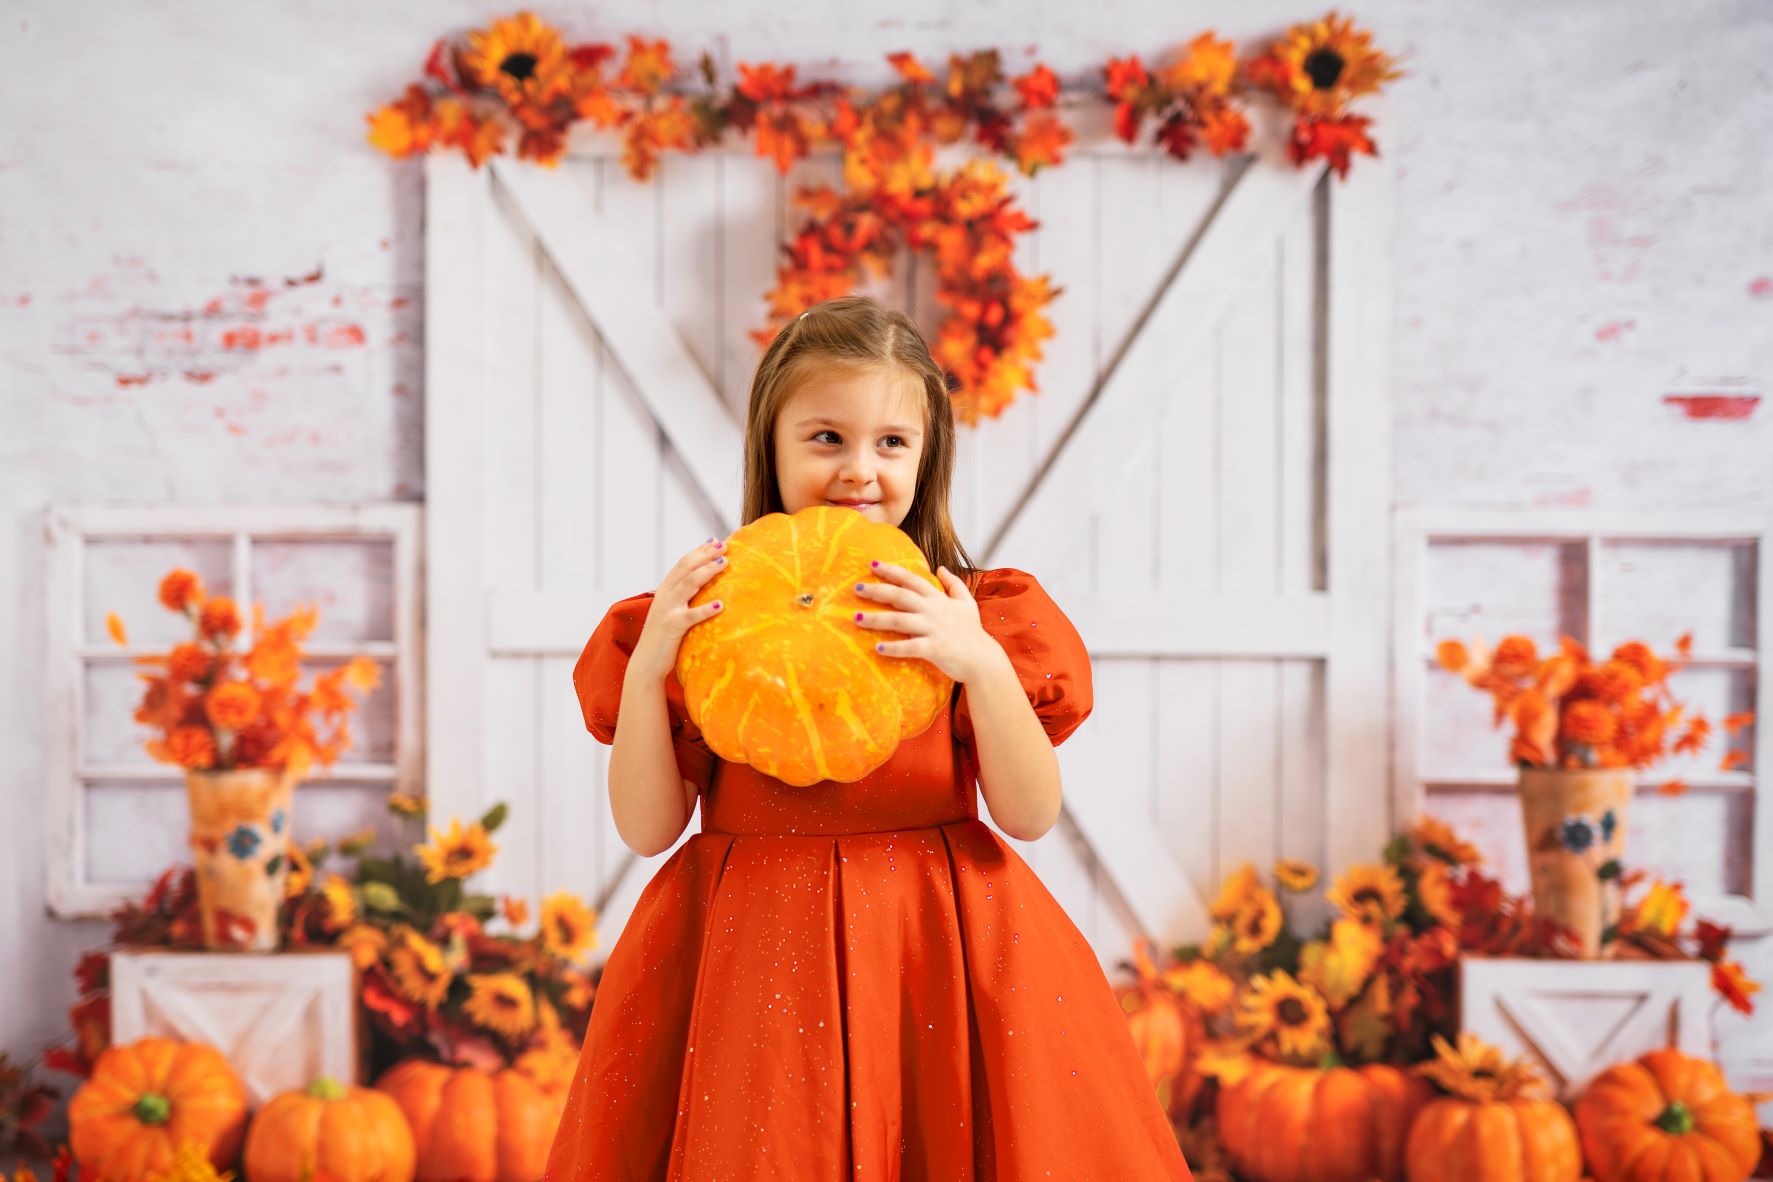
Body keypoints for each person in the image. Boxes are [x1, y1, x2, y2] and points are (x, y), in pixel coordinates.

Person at [544, 295, 1192, 1180]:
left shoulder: (970, 613)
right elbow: (649, 828)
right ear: (769, 447)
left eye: (892, 442)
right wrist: (657, 654)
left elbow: (1030, 814)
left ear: (927, 459)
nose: (860, 469)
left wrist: (979, 665)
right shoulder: (711, 619)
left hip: (939, 947)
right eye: (825, 438)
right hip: (752, 956)